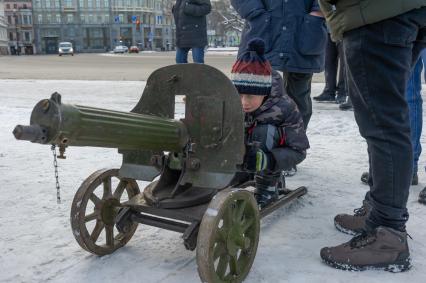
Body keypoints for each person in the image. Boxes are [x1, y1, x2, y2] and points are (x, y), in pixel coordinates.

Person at [319, 0, 426, 272]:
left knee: (382, 122)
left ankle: (387, 234)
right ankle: (379, 213)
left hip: (376, 12)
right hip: (395, 9)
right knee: (382, 118)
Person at [231, 38, 309, 207]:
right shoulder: (232, 102)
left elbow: (299, 150)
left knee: (264, 131)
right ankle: (240, 175)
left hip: (268, 157)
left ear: (264, 92)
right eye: (240, 95)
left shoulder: (285, 108)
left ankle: (268, 186)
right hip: (241, 159)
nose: (244, 102)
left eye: (250, 96)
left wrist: (267, 160)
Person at [231, 0, 327, 129]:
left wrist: (318, 11)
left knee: (299, 96)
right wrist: (254, 12)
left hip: (305, 25)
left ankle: (294, 142)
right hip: (262, 25)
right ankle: (253, 141)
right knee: (253, 91)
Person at [313, 31, 347, 104]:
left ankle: (342, 92)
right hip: (329, 29)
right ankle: (329, 91)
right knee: (328, 60)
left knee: (344, 62)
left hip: (342, 29)